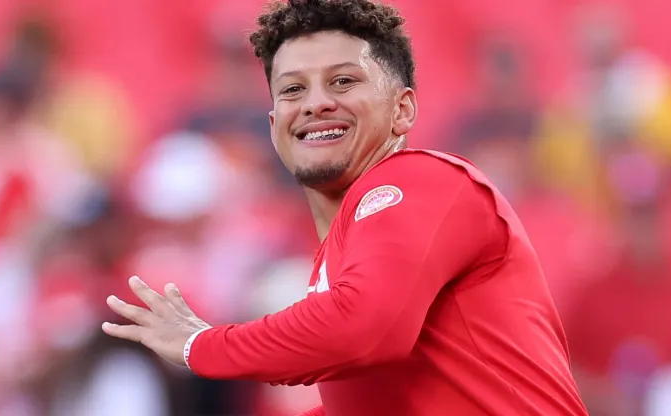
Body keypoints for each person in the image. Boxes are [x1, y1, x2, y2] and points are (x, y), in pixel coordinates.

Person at [102, 0, 588, 414]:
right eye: (293, 89)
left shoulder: (423, 182)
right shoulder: (343, 251)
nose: (315, 104)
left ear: (403, 110)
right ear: (273, 124)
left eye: (342, 82)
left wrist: (201, 345)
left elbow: (364, 329)